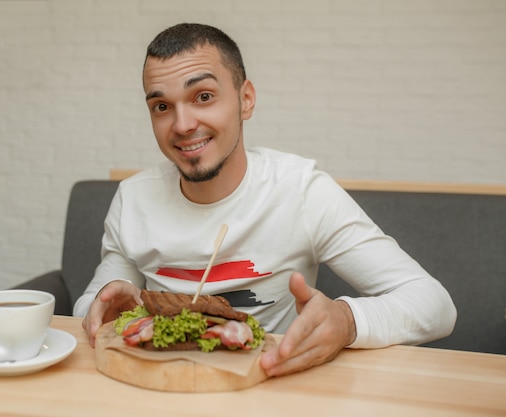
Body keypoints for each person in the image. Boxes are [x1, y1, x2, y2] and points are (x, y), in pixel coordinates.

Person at [73, 23, 456, 377]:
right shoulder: (134, 197)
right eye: (161, 106)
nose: (182, 124)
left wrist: (346, 320)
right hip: (161, 385)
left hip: (271, 386)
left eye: (203, 96)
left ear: (246, 100)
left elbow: (435, 305)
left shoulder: (301, 191)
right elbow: (91, 307)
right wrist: (109, 310)